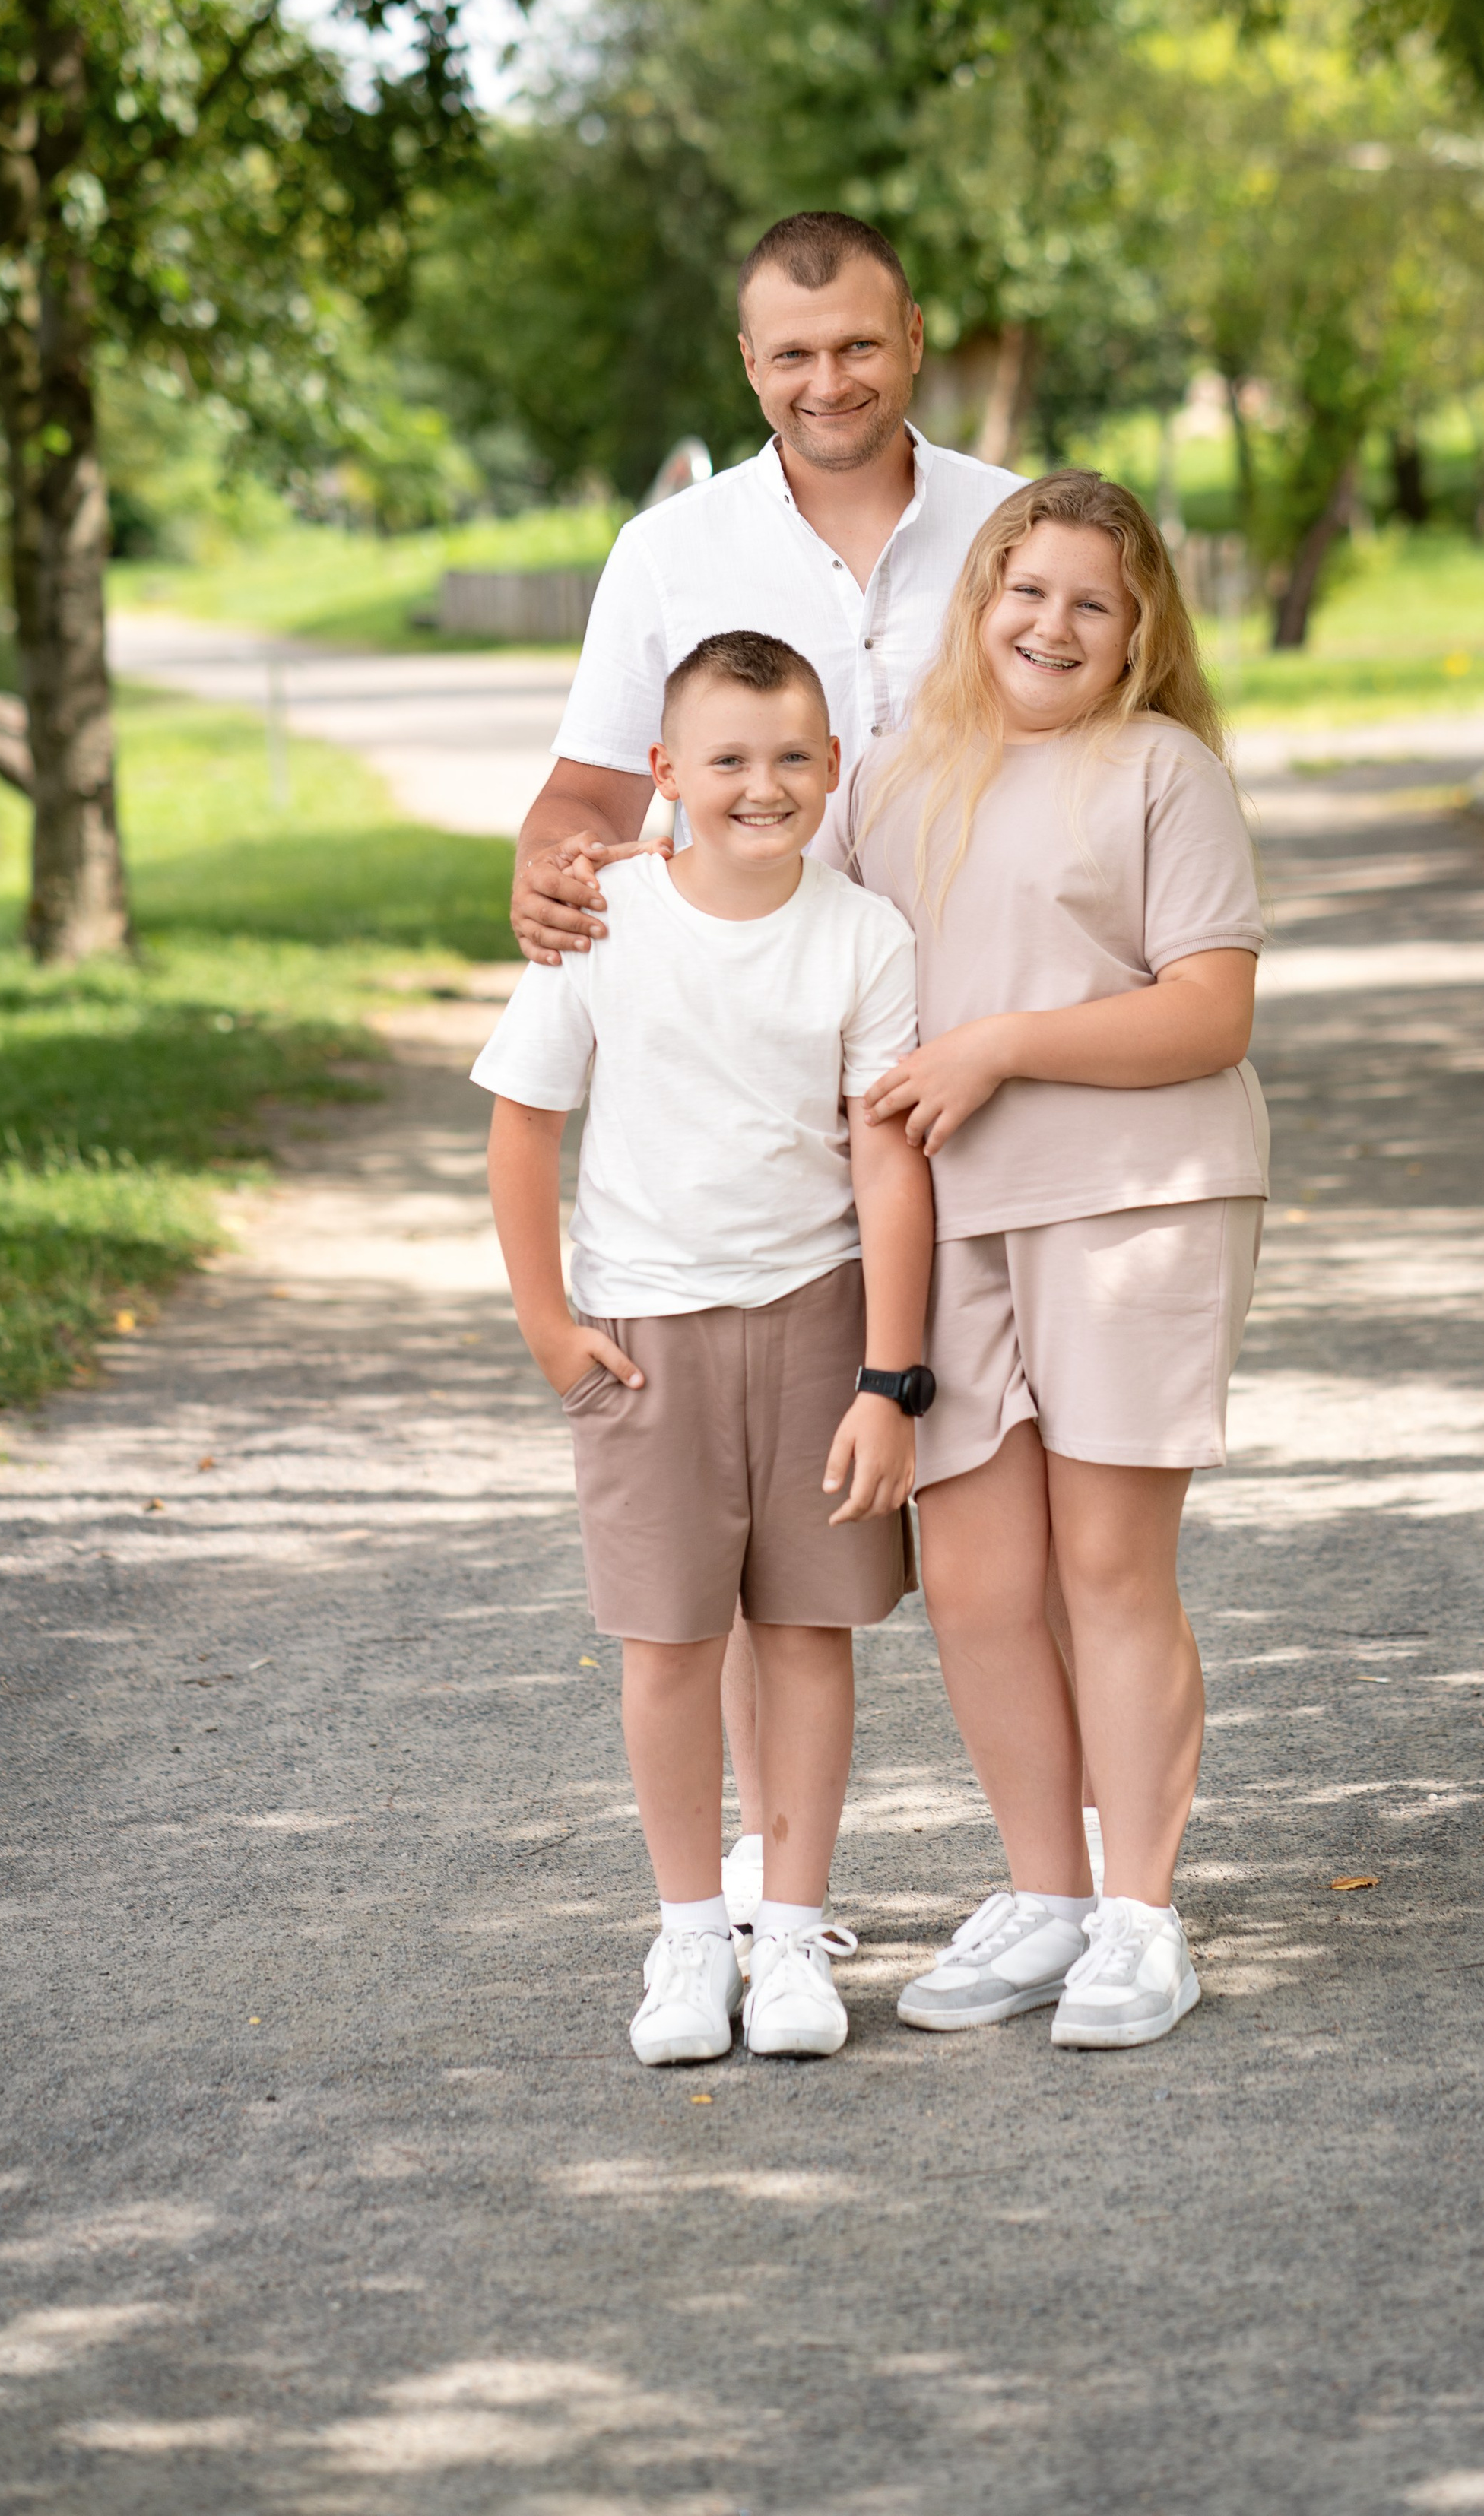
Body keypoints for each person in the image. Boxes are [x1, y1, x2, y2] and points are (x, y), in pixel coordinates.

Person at [508, 209, 1025, 1933]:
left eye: (858, 345)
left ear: (913, 337)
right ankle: (753, 1879)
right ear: (748, 366)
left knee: (979, 1496)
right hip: (752, 1069)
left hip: (983, 1043)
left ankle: (1061, 1879)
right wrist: (547, 864)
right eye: (792, 353)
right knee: (759, 1533)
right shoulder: (670, 549)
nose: (828, 380)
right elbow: (590, 795)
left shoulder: (1006, 524)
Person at [842, 470, 1269, 2051]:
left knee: (1105, 1567)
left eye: (1093, 603)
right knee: (972, 1579)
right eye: (1026, 590)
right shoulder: (893, 778)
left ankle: (1143, 1919)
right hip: (948, 1220)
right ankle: (1048, 1896)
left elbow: (1207, 1012)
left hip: (1133, 1203)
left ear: (1138, 630)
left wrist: (1005, 1045)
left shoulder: (1162, 773)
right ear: (979, 600)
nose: (1052, 623)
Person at [474, 631, 935, 2064]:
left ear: (835, 769)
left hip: (818, 1325)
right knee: (668, 1649)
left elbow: (886, 1163)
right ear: (663, 774)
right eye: (727, 760)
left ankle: (790, 1934)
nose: (762, 786)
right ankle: (688, 1938)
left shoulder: (866, 935)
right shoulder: (605, 919)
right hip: (643, 1341)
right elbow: (523, 1123)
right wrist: (551, 1327)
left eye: (794, 758)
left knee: (805, 1637)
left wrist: (891, 1379)